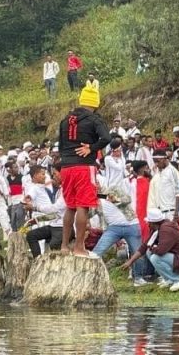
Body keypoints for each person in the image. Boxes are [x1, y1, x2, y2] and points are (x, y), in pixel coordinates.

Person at [57, 84, 110, 256]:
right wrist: (92, 148)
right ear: (95, 103)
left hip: (66, 167)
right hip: (84, 166)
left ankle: (64, 246)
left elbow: (61, 145)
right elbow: (106, 138)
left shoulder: (65, 120)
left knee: (70, 206)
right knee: (83, 206)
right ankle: (79, 247)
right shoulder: (94, 119)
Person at [93, 160, 148, 282]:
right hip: (113, 228)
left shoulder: (113, 189)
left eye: (97, 183)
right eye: (93, 184)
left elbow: (127, 199)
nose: (95, 185)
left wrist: (113, 198)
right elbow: (89, 214)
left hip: (131, 224)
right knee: (97, 252)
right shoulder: (94, 200)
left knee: (137, 251)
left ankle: (138, 277)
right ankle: (95, 278)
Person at [121, 209, 179, 291]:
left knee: (155, 258)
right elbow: (144, 246)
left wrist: (152, 247)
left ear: (153, 223)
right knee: (149, 252)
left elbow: (161, 251)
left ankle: (178, 280)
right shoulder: (158, 228)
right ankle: (169, 279)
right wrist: (130, 261)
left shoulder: (165, 229)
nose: (148, 224)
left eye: (149, 222)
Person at [24, 166, 65, 257]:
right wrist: (28, 200)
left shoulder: (46, 188)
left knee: (46, 245)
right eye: (43, 174)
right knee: (41, 243)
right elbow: (29, 196)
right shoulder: (34, 188)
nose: (46, 177)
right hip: (42, 218)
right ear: (35, 176)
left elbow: (55, 211)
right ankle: (38, 261)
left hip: (51, 219)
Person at [147, 148, 179, 221]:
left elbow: (178, 194)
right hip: (159, 213)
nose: (156, 164)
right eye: (154, 162)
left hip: (170, 213)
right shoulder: (158, 173)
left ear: (164, 159)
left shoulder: (173, 172)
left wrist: (176, 213)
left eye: (157, 161)